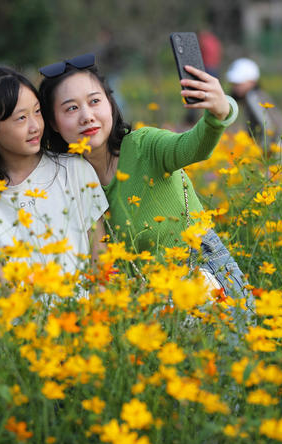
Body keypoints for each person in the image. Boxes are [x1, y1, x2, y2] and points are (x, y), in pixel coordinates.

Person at [38, 53, 252, 308]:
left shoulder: (144, 144)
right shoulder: (70, 180)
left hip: (206, 276)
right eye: (71, 108)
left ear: (110, 103)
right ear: (53, 123)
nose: (86, 116)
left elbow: (195, 146)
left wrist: (218, 114)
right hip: (149, 299)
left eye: (95, 101)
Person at [0, 59, 108, 276]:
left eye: (37, 112)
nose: (35, 126)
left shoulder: (75, 170)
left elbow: (100, 260)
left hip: (82, 309)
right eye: (21, 118)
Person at [226, 57, 282, 155]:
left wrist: (263, 151)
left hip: (274, 148)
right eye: (234, 84)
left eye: (238, 83)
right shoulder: (255, 95)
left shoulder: (253, 97)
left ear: (252, 81)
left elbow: (268, 126)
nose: (235, 87)